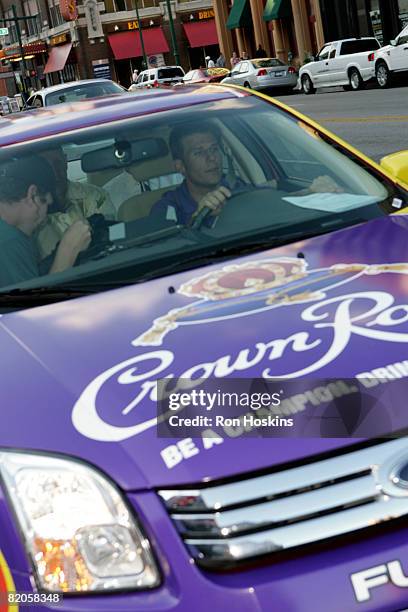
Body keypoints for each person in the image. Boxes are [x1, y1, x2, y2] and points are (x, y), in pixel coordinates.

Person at [151, 121, 344, 227]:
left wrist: (311, 192)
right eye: (198, 152)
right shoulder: (167, 208)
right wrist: (197, 217)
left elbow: (274, 202)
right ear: (180, 166)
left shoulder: (238, 188)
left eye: (214, 149)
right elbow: (165, 248)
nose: (211, 159)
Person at [0, 156, 91, 288]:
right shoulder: (9, 242)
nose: (45, 217)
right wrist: (68, 249)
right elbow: (36, 307)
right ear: (32, 195)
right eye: (47, 204)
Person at [36, 147, 116, 258]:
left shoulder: (95, 196)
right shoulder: (31, 211)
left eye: (58, 163)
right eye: (47, 167)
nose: (55, 172)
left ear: (65, 161)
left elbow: (114, 237)